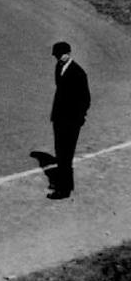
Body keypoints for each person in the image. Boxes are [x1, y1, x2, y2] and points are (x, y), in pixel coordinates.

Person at [48, 40, 90, 199]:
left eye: (61, 55)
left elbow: (86, 99)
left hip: (71, 121)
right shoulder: (59, 67)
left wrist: (78, 118)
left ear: (68, 54)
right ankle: (64, 183)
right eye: (57, 55)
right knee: (60, 152)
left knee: (66, 154)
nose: (59, 58)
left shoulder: (78, 73)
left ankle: (64, 190)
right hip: (59, 118)